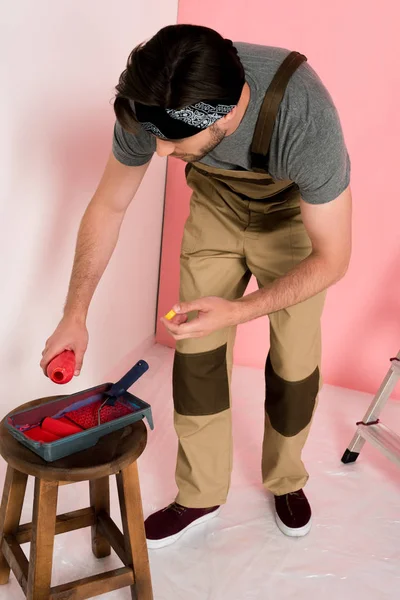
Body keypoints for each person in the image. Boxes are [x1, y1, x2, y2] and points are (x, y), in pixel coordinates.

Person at [41, 24, 352, 549]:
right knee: (197, 356)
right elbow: (109, 205)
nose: (158, 153)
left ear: (228, 116)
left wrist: (238, 311)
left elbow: (334, 258)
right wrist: (75, 312)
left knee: (295, 365)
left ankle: (286, 479)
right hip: (218, 207)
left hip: (297, 222)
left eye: (173, 142)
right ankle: (201, 492)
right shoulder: (157, 97)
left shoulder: (305, 118)